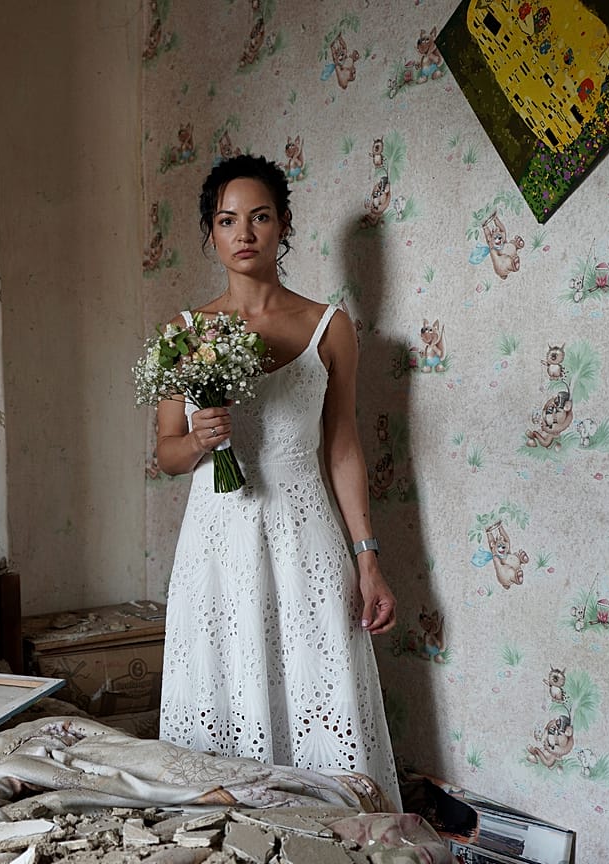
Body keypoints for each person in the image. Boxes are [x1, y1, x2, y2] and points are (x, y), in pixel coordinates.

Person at [154, 153, 401, 809]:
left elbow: (343, 447)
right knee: (224, 695)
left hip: (306, 542)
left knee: (320, 696)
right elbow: (167, 456)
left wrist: (368, 560)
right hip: (215, 544)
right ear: (211, 233)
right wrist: (199, 439)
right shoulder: (184, 334)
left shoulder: (330, 327)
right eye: (228, 220)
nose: (245, 233)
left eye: (260, 217)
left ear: (283, 226)